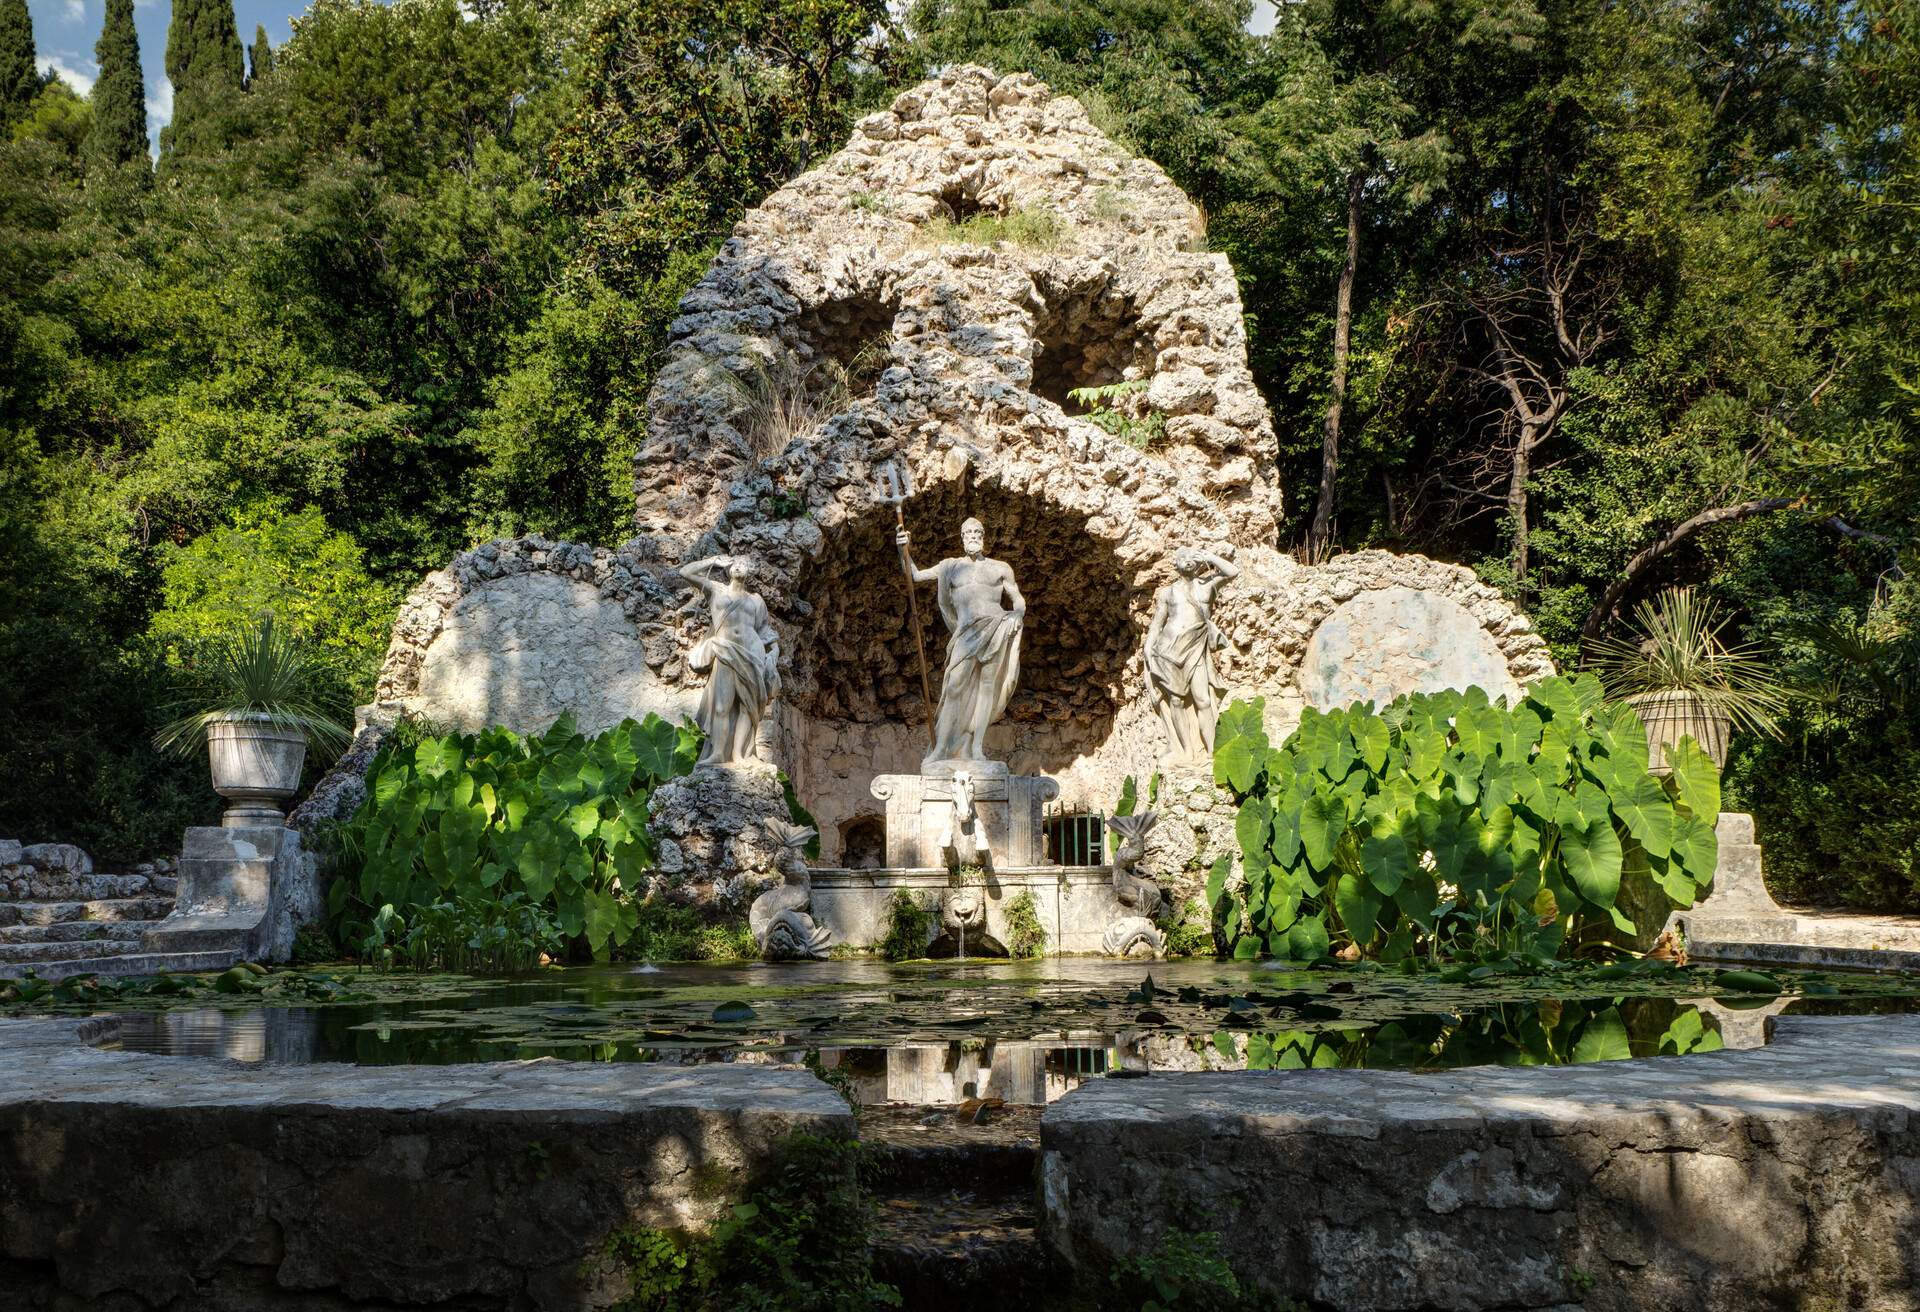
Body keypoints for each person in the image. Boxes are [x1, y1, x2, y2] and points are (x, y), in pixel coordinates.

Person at [896, 517, 1024, 768]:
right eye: (968, 533)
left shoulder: (1000, 568)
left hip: (996, 628)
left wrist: (1017, 615)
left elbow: (1017, 598)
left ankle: (977, 748)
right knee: (953, 687)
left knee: (987, 687)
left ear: (984, 536)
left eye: (977, 532)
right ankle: (941, 748)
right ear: (962, 537)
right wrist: (903, 550)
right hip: (965, 634)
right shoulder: (950, 567)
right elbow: (915, 575)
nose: (973, 536)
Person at [676, 555, 780, 767]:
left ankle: (739, 755)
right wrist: (713, 560)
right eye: (737, 563)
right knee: (722, 706)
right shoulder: (716, 590)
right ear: (729, 568)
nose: (740, 566)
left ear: (751, 571)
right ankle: (717, 753)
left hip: (752, 653)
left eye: (745, 564)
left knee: (747, 707)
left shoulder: (756, 600)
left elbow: (764, 631)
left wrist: (774, 652)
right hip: (724, 650)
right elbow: (685, 572)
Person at [1144, 545, 1240, 764]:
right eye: (1182, 557)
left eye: (1191, 556)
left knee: (1203, 699)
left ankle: (1210, 752)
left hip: (1195, 650)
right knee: (1176, 702)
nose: (1187, 559)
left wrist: (1209, 556)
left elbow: (1232, 572)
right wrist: (1148, 651)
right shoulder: (1168, 592)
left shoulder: (1207, 586)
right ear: (1175, 564)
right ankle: (1186, 751)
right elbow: (1157, 625)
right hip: (1167, 652)